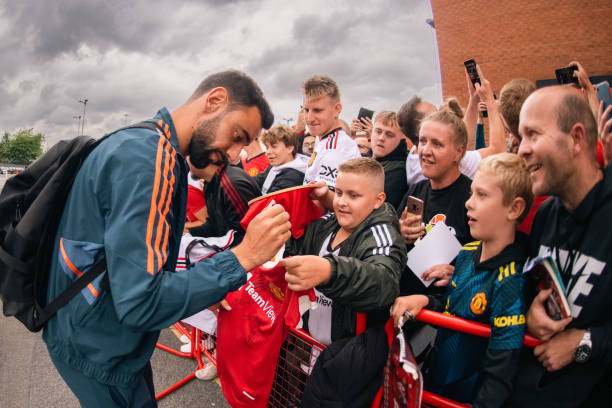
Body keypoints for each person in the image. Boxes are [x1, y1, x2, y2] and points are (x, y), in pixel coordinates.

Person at [42, 70, 292, 407]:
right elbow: (140, 302)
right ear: (214, 100)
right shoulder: (149, 158)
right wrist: (242, 257)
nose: (234, 155)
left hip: (90, 332)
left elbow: (129, 262)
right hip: (101, 348)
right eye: (237, 135)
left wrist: (203, 288)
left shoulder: (141, 143)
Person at [392, 152, 533, 407]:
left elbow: (501, 370)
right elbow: (452, 304)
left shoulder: (512, 279)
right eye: (471, 193)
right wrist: (425, 299)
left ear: (515, 208)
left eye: (482, 195)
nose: (468, 203)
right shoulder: (467, 253)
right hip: (436, 385)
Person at [507, 86, 612, 407]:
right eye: (520, 137)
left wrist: (585, 342)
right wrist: (528, 313)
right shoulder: (546, 216)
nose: (522, 149)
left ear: (577, 138)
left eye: (533, 134)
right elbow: (530, 285)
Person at [283, 157, 406, 345]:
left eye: (353, 195)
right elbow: (292, 248)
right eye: (338, 193)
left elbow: (384, 282)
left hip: (344, 357)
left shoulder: (382, 234)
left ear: (378, 200)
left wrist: (330, 271)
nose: (341, 202)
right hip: (306, 347)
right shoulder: (325, 224)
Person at [397, 99, 473, 294]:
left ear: (458, 152)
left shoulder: (473, 197)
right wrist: (400, 233)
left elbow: (488, 260)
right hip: (405, 305)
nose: (425, 151)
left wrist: (459, 275)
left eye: (437, 144)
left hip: (444, 311)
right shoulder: (415, 191)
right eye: (422, 141)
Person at [301, 75, 361, 189]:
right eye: (306, 110)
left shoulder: (334, 148)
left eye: (317, 110)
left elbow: (325, 202)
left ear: (337, 109)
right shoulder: (326, 140)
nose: (309, 118)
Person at [188, 158, 260, 245]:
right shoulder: (211, 183)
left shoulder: (230, 185)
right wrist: (188, 232)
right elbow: (214, 226)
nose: (186, 162)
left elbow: (246, 236)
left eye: (189, 155)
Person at [370, 110, 409, 210]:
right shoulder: (365, 159)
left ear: (401, 139)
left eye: (389, 135)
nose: (381, 138)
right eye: (378, 131)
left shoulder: (399, 173)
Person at [255, 125, 308, 194]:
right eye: (267, 147)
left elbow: (270, 199)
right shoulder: (275, 167)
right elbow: (253, 181)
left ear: (290, 148)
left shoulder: (293, 177)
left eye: (274, 146)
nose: (268, 152)